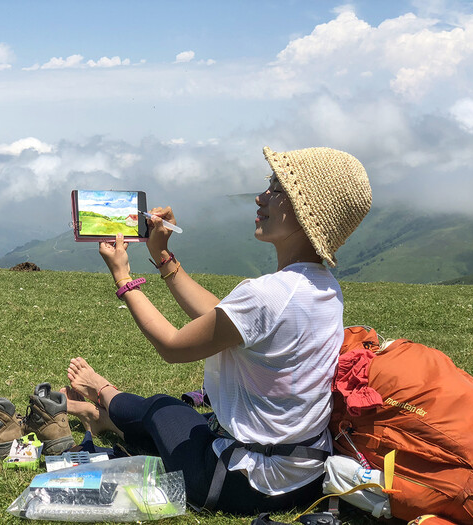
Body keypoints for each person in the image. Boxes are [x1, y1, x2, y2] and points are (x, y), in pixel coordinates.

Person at [61, 146, 372, 514]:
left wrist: (124, 277)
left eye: (277, 188)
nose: (261, 196)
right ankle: (103, 417)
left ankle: (103, 392)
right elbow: (223, 318)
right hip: (304, 478)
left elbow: (173, 347)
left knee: (163, 409)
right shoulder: (322, 286)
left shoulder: (268, 294)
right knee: (181, 420)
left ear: (306, 213)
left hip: (242, 483)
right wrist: (163, 257)